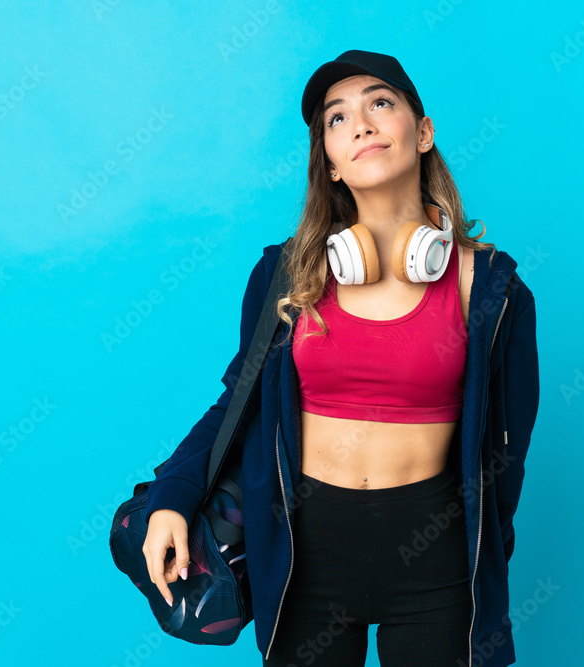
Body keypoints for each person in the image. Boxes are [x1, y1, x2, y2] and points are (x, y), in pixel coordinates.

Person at [140, 50, 540, 667]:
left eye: (380, 102)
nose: (361, 124)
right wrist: (172, 493)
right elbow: (237, 405)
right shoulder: (285, 276)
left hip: (436, 560)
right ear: (328, 162)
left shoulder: (491, 289)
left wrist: (486, 556)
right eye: (337, 117)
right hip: (302, 558)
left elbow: (506, 451)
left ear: (423, 132)